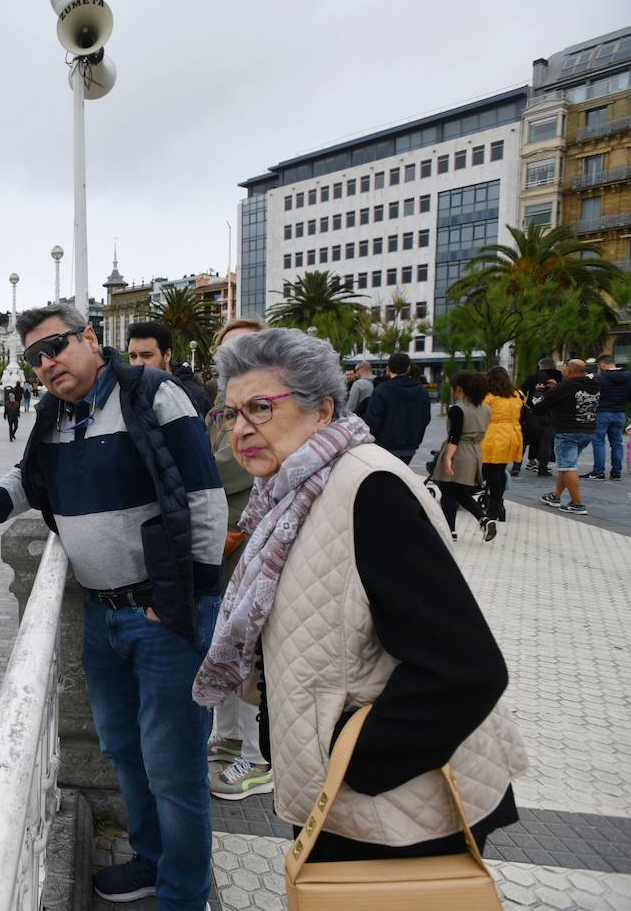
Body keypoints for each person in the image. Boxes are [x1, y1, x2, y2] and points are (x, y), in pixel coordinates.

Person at [193, 327, 526, 866]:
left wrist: (350, 765)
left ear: (322, 410)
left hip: (399, 808)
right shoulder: (290, 492)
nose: (240, 429)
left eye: (259, 407)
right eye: (230, 414)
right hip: (350, 797)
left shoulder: (369, 490)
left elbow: (467, 671)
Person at [0, 303, 226, 909]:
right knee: (124, 749)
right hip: (101, 616)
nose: (47, 363)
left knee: (175, 767)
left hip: (163, 614)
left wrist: (186, 600)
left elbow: (206, 501)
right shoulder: (52, 416)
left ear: (93, 338)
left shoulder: (155, 396)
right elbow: (28, 480)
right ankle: (152, 861)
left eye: (57, 347)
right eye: (35, 357)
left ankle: (186, 894)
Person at [202, 317, 274, 802]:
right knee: (224, 642)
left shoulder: (276, 408)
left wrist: (240, 528)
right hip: (221, 546)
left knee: (253, 651)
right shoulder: (216, 413)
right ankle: (225, 738)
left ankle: (259, 755)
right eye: (226, 353)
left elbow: (256, 474)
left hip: (256, 544)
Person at [429, 371, 496, 542]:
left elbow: (455, 436)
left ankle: (450, 530)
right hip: (475, 452)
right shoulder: (486, 408)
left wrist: (448, 458)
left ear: (460, 389)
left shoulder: (458, 409)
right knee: (460, 492)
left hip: (459, 451)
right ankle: (484, 520)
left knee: (448, 492)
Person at [533, 358, 600, 515]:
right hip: (588, 429)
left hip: (568, 431)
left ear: (569, 371)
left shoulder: (566, 386)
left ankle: (578, 504)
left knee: (568, 467)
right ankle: (555, 496)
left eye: (564, 369)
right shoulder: (594, 385)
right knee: (566, 466)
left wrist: (543, 391)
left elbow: (541, 404)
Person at [362, 352, 430, 463]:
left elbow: (372, 420)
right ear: (408, 368)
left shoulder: (382, 390)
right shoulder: (421, 390)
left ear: (388, 368)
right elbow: (426, 418)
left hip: (384, 446)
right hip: (410, 447)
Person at [480, 367, 523, 522]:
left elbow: (482, 414)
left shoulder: (489, 396)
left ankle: (495, 505)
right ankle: (499, 504)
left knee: (489, 471)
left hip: (494, 433)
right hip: (512, 432)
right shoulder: (517, 394)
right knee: (500, 470)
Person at [588, 354, 629, 480]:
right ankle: (616, 471)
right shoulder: (628, 376)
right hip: (620, 412)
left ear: (602, 364)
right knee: (617, 443)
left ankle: (598, 471)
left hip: (602, 412)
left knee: (599, 442)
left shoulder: (598, 378)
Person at [521, 358, 562, 475]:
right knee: (547, 441)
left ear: (540, 366)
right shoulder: (559, 378)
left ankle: (519, 465)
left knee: (529, 438)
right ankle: (543, 466)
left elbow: (522, 391)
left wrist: (534, 389)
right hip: (551, 413)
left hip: (533, 412)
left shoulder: (533, 377)